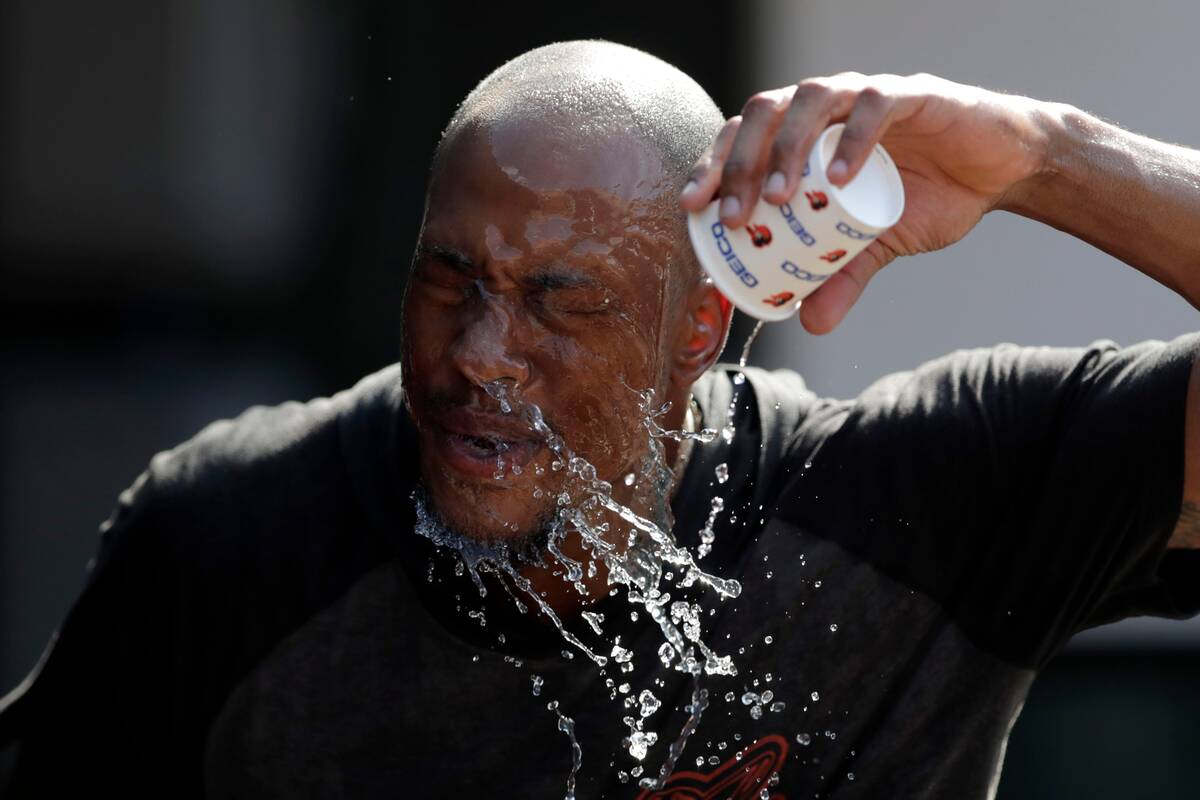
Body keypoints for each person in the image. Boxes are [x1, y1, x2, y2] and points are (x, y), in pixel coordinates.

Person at [1, 39, 1197, 799]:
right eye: (447, 277)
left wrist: (1045, 159)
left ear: (698, 331)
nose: (480, 355)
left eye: (561, 304)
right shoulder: (234, 536)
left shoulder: (920, 506)